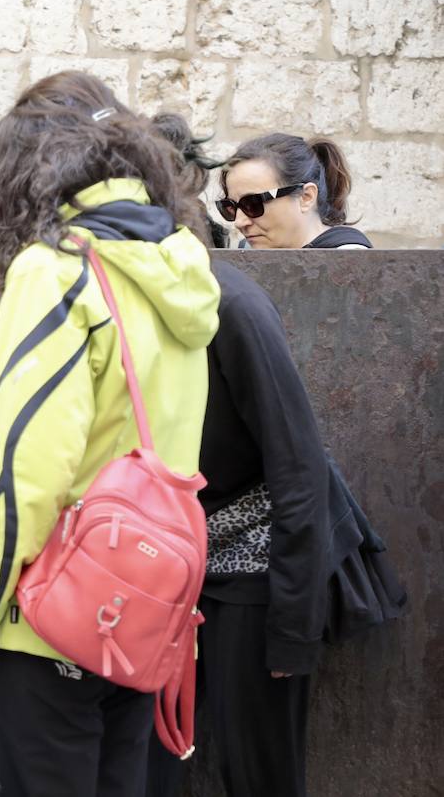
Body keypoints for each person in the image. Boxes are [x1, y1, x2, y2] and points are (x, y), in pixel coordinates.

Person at [0, 71, 220, 797]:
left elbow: (21, 490)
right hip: (138, 623)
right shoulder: (178, 268)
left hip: (48, 628)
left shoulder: (56, 272)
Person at [144, 116, 406, 797]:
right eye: (234, 207)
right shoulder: (171, 305)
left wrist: (292, 627)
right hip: (195, 568)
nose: (245, 220)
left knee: (257, 768)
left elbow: (297, 463)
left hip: (262, 573)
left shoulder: (232, 303)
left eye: (255, 204)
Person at [218, 133, 371, 249]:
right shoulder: (247, 255)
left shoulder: (352, 266)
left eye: (253, 203)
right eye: (230, 206)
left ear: (306, 197)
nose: (239, 222)